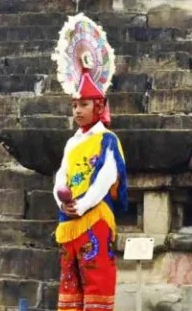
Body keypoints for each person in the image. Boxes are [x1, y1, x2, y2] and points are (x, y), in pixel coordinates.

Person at [53, 70, 127, 311]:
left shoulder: (107, 139)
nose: (77, 111)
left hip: (94, 216)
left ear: (99, 106)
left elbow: (107, 177)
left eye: (84, 104)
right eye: (74, 105)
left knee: (96, 276)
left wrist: (83, 204)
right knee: (69, 280)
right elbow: (61, 176)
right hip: (69, 220)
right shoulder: (71, 143)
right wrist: (62, 202)